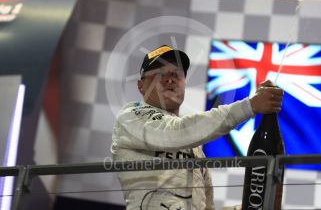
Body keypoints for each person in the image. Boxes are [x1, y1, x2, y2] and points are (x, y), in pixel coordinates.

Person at [111, 45, 283, 210]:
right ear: (141, 86)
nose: (169, 79)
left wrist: (248, 208)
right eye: (158, 74)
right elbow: (176, 132)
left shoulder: (195, 150)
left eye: (176, 74)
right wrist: (250, 106)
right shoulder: (130, 116)